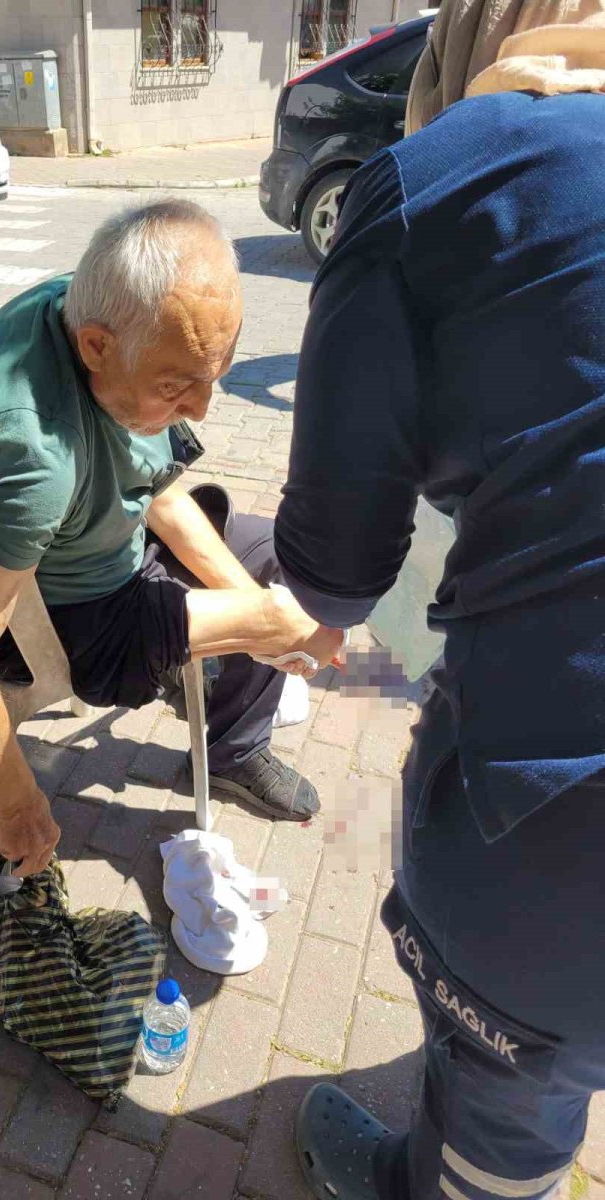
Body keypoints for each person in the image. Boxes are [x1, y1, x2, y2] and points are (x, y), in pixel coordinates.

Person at [276, 3, 605, 1198]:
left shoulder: (445, 183)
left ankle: (459, 1168)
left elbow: (332, 572)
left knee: (506, 1107)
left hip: (561, 826)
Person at [0, 200, 343, 878]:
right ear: (96, 345)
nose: (201, 409)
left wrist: (254, 612)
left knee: (273, 559)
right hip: (58, 624)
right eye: (176, 386)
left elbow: (156, 485)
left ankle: (230, 744)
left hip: (86, 540)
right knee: (276, 607)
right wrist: (20, 805)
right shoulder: (41, 456)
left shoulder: (74, 300)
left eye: (216, 375)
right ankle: (193, 663)